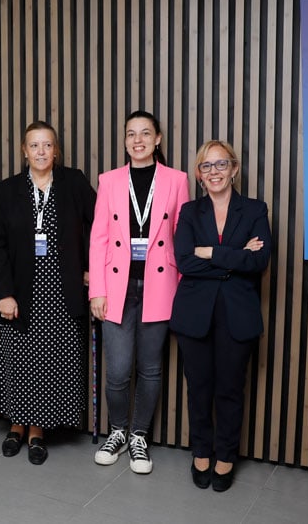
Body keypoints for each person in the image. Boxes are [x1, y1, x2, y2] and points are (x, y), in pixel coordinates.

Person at [0, 121, 96, 464]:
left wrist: (92, 268)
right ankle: (16, 425)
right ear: (24, 150)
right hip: (20, 291)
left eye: (47, 145)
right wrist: (4, 292)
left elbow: (99, 226)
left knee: (50, 360)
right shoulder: (5, 190)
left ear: (56, 150)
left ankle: (37, 430)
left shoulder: (74, 182)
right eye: (34, 145)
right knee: (19, 359)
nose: (41, 152)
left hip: (62, 292)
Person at [88, 111, 190, 472]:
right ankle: (117, 431)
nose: (138, 140)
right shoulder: (110, 180)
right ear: (126, 140)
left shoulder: (177, 180)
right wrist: (97, 291)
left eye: (145, 133)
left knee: (150, 368)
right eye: (131, 134)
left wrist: (180, 290)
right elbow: (99, 237)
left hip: (159, 284)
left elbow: (182, 236)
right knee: (117, 370)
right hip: (116, 285)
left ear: (158, 138)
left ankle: (139, 437)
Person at [170, 140, 271, 492]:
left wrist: (211, 252)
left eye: (221, 164)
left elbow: (258, 262)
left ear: (234, 168)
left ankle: (226, 456)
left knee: (230, 389)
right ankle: (201, 452)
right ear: (199, 174)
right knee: (199, 389)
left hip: (237, 315)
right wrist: (234, 257)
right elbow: (184, 261)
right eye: (207, 166)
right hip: (194, 314)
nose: (215, 172)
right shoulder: (188, 212)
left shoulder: (256, 209)